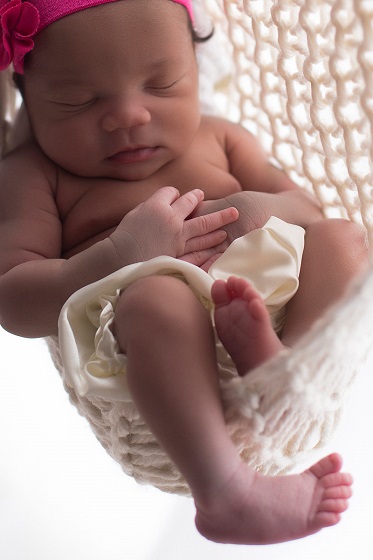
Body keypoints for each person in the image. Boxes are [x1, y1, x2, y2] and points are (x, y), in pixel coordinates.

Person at [0, 0, 366, 545]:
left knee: (346, 237)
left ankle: (283, 371)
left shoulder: (220, 136)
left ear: (197, 67)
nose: (129, 115)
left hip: (280, 310)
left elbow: (308, 209)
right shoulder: (34, 175)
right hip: (153, 341)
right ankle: (225, 490)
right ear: (27, 99)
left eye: (163, 83)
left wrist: (261, 209)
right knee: (156, 295)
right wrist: (119, 256)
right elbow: (13, 299)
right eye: (78, 100)